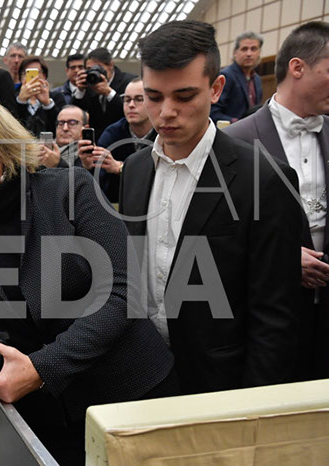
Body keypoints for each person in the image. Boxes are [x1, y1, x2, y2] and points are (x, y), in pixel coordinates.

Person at [0, 92, 176, 465]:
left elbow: (123, 296)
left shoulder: (69, 188)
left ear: (1, 142)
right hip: (43, 416)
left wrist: (42, 368)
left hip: (125, 396)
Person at [119, 20, 302, 395]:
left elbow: (275, 316)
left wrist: (253, 406)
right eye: (154, 96)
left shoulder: (265, 179)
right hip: (140, 373)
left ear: (216, 89)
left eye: (184, 96)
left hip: (221, 384)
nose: (166, 112)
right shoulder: (134, 169)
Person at [225, 21, 329, 380]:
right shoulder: (236, 140)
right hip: (266, 318)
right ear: (298, 67)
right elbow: (219, 233)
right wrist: (280, 257)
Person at [96, 78, 157, 202]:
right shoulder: (112, 133)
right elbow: (98, 181)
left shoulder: (165, 133)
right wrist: (87, 166)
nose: (131, 105)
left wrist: (120, 168)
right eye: (127, 100)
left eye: (139, 99)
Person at [73, 48, 137, 139]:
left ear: (111, 65)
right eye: (89, 69)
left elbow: (129, 111)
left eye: (98, 68)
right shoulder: (88, 83)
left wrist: (108, 92)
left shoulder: (129, 82)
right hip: (97, 139)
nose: (93, 72)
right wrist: (80, 91)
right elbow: (76, 113)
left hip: (122, 137)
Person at [211, 31, 264, 123]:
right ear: (235, 53)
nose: (249, 54)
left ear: (259, 52)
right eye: (244, 49)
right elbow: (213, 112)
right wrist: (238, 123)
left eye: (253, 49)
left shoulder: (257, 80)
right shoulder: (226, 75)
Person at [14, 55, 65, 137]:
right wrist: (21, 102)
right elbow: (12, 127)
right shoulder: (12, 97)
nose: (32, 77)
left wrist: (47, 104)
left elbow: (60, 127)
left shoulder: (56, 97)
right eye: (27, 73)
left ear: (44, 75)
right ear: (21, 77)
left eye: (36, 73)